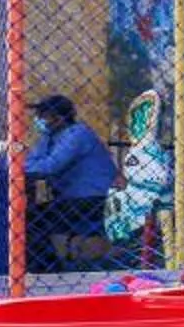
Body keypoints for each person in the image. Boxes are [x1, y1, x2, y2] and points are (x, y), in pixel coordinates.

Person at [23, 94, 115, 274]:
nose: (39, 120)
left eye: (44, 116)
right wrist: (22, 165)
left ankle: (47, 269)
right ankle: (46, 267)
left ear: (60, 118)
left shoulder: (77, 134)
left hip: (94, 200)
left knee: (33, 218)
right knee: (30, 216)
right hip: (71, 200)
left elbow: (50, 166)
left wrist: (23, 166)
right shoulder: (49, 137)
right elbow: (29, 162)